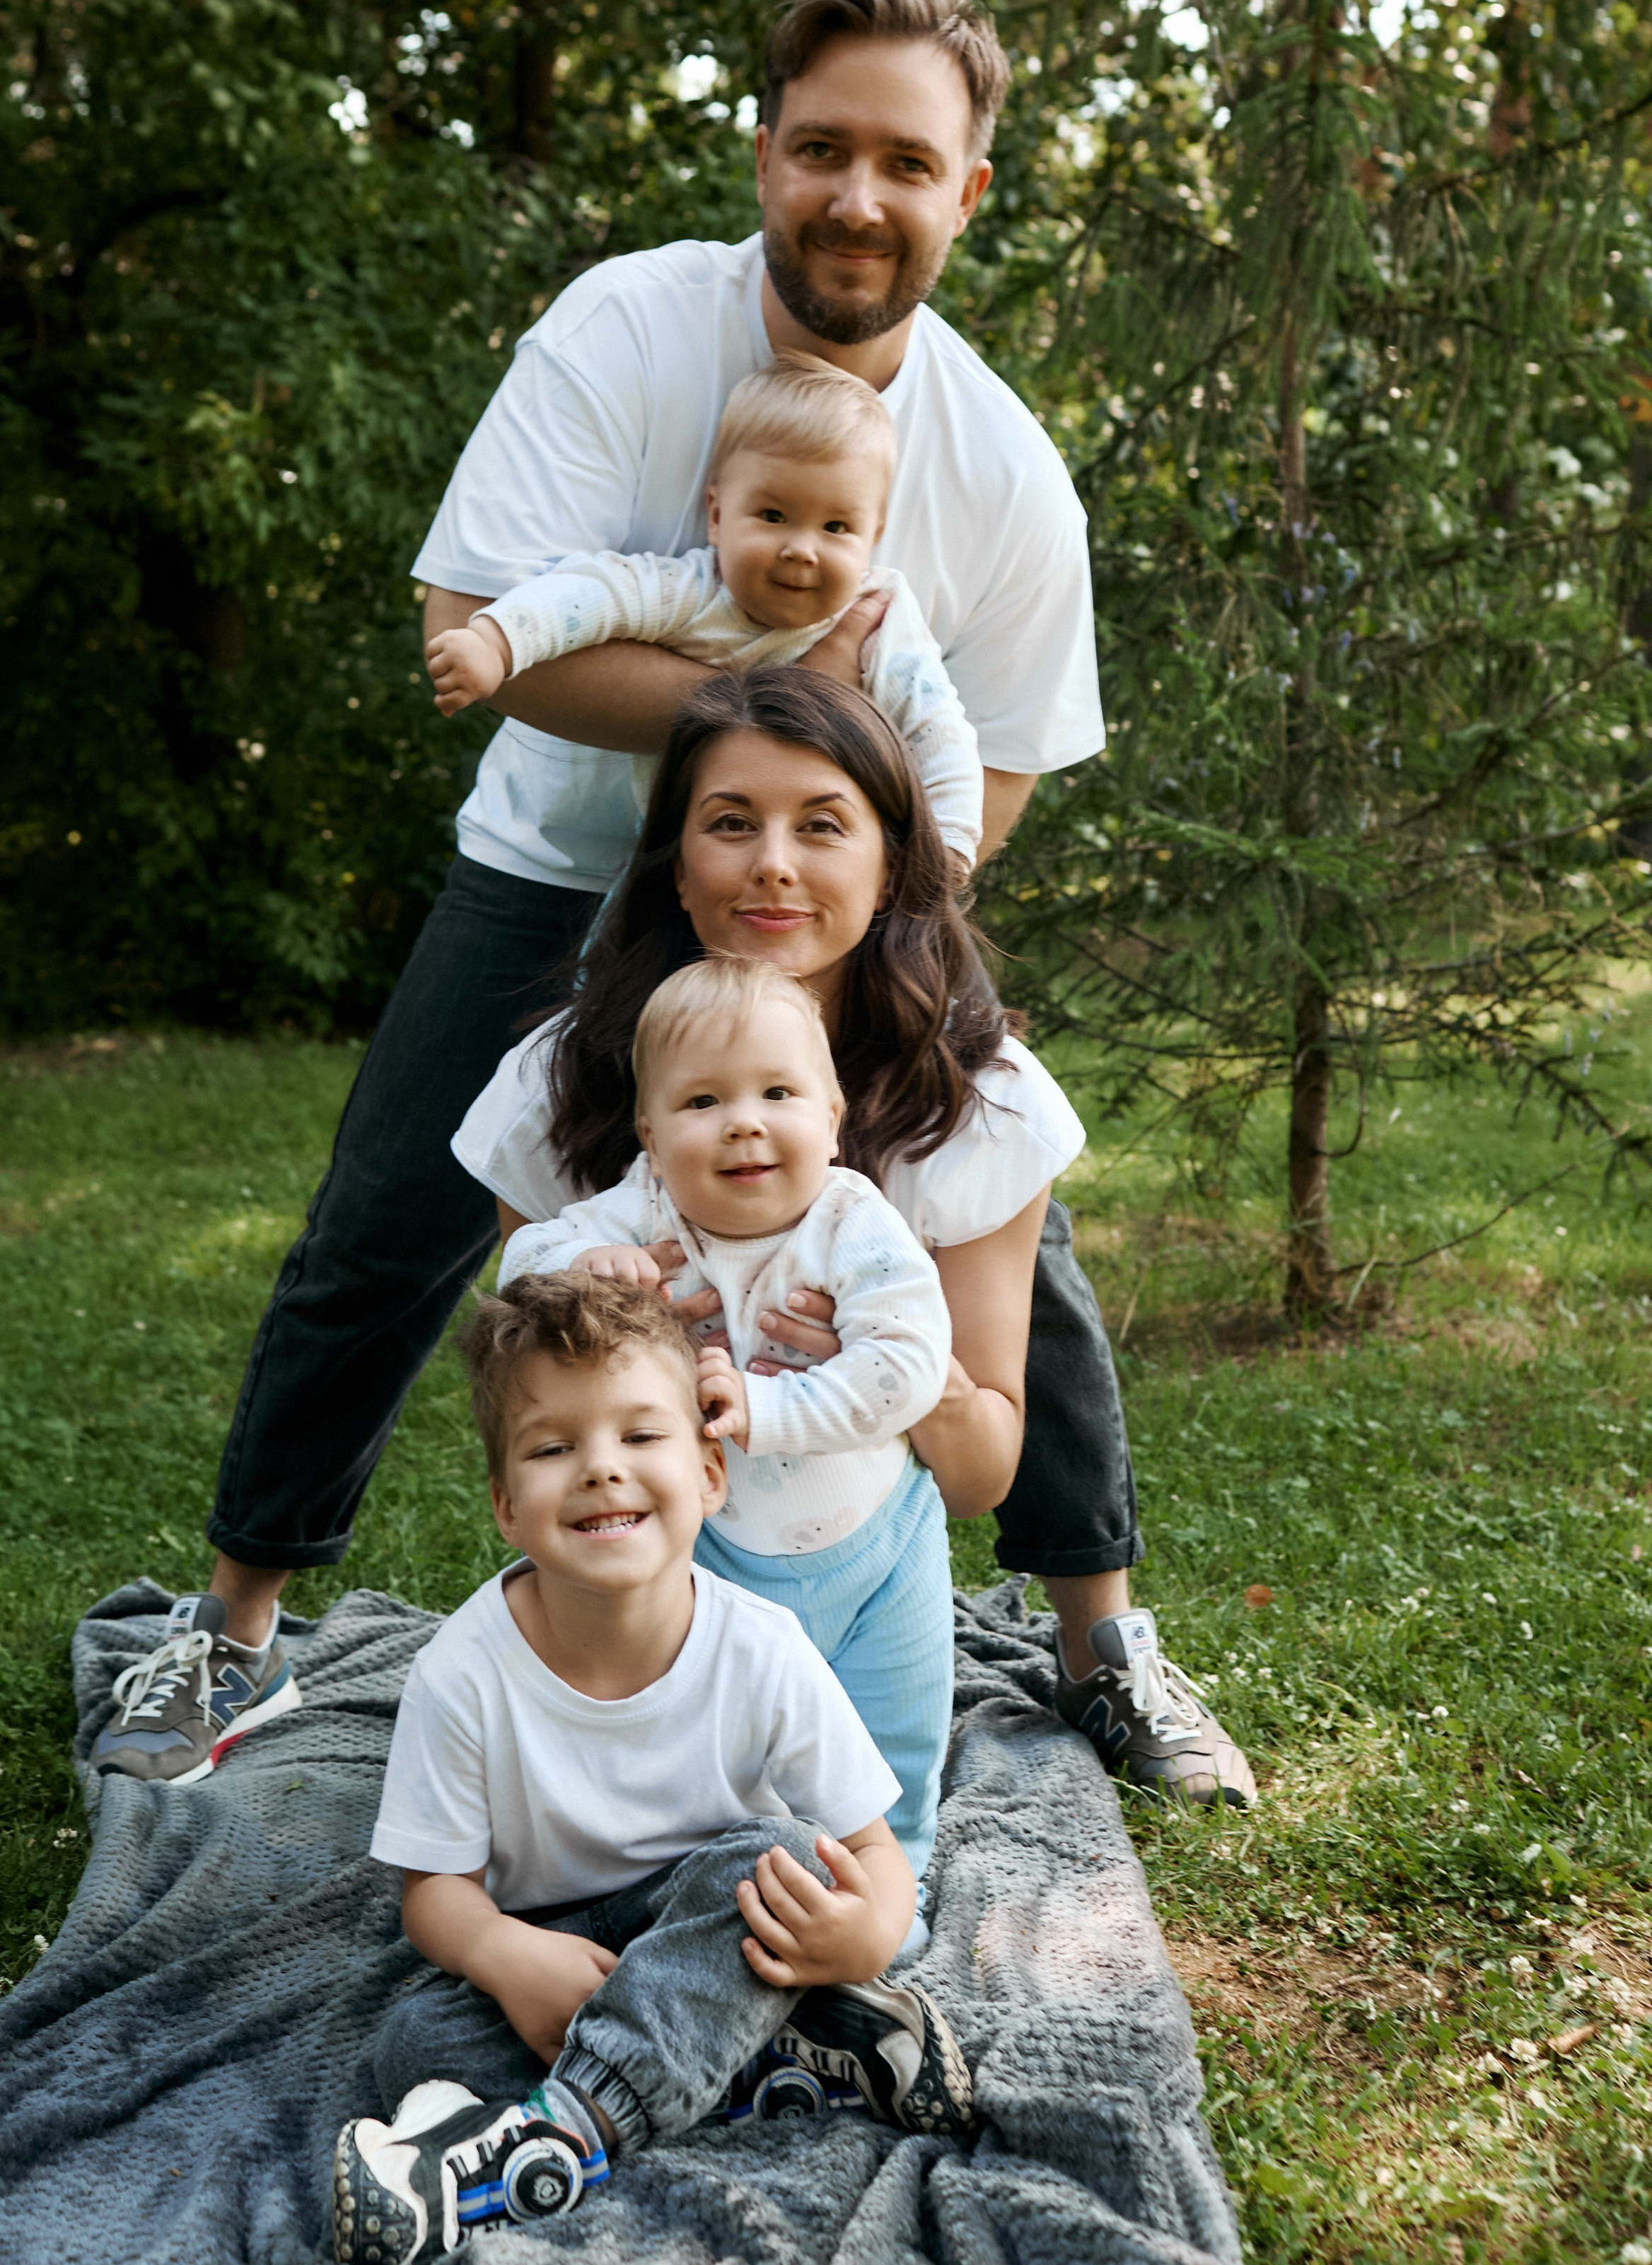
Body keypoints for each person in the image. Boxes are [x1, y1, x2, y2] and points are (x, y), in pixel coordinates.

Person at [95, 0, 1251, 1812]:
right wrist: (785, 713)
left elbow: (1010, 762)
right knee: (388, 1223)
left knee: (996, 1220)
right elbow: (480, 620)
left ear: (967, 190)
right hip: (558, 875)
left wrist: (877, 915)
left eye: (905, 161)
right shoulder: (626, 330)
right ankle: (231, 1625)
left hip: (854, 906)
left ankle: (1101, 1638)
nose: (857, 195)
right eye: (822, 148)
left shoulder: (1007, 471)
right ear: (765, 151)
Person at [460, 671, 1255, 1814]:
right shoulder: (563, 1082)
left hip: (866, 1523)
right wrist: (608, 1313)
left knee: (870, 1791)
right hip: (661, 1546)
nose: (774, 864)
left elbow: (977, 1478)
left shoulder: (980, 1100)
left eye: (823, 825)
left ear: (891, 865)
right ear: (676, 866)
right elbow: (528, 1405)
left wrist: (885, 1365)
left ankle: (1105, 1652)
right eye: (731, 823)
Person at [331, 1271, 973, 2265]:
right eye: (553, 1448)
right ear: (506, 1505)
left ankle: (564, 2132)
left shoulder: (761, 1649)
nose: (601, 1469)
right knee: (415, 2039)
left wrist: (870, 1932)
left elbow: (870, 1852)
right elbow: (435, 1894)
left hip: (709, 1919)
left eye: (640, 1435)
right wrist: (504, 1954)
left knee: (783, 1860)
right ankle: (778, 2060)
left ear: (711, 1474)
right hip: (557, 1950)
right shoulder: (461, 1673)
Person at [503, 954, 957, 1874]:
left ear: (831, 1117)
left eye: (778, 1093)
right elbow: (520, 1271)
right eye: (702, 1101)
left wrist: (770, 1406)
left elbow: (907, 1365)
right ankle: (699, 1864)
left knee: (893, 1734)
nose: (744, 1121)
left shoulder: (853, 1222)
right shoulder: (642, 1211)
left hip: (879, 1544)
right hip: (708, 1547)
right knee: (708, 1719)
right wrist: (581, 1267)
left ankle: (889, 1885)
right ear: (650, 1135)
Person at [424, 351, 984, 874]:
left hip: (809, 879)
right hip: (677, 866)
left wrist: (950, 843)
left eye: (836, 527)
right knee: (625, 940)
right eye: (773, 516)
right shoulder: (692, 593)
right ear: (717, 516)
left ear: (873, 538)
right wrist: (497, 642)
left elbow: (938, 729)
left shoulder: (880, 621)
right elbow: (588, 597)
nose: (801, 549)